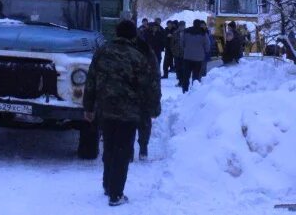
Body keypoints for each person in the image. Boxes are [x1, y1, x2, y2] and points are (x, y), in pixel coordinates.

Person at [84, 19, 161, 207]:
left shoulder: (102, 52)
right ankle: (116, 194)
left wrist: (88, 107)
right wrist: (153, 109)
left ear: (116, 33)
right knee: (123, 150)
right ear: (133, 35)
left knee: (109, 146)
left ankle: (107, 184)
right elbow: (149, 85)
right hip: (129, 112)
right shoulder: (138, 57)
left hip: (105, 109)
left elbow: (91, 80)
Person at [133, 32, 160, 161]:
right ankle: (143, 148)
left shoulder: (121, 51)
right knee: (144, 123)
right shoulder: (148, 52)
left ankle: (128, 150)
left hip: (126, 95)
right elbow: (155, 78)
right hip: (145, 95)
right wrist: (155, 102)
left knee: (127, 123)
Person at [180, 19, 211, 93]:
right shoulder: (203, 33)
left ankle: (185, 90)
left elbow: (181, 42)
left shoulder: (186, 31)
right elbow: (207, 45)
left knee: (186, 76)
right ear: (199, 25)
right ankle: (194, 92)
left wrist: (185, 49)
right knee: (196, 76)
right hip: (199, 58)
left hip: (187, 57)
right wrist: (205, 51)